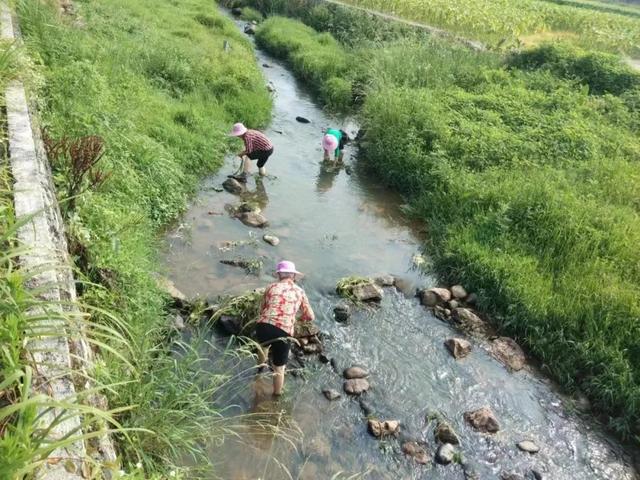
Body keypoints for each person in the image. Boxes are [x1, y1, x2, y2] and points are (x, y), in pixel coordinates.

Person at [255, 260, 315, 396]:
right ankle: (276, 395)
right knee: (279, 368)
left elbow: (262, 309)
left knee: (263, 347)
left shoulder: (270, 287)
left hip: (263, 325)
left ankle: (259, 370)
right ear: (293, 276)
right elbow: (311, 316)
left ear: (279, 275)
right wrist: (297, 319)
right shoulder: (300, 291)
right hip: (284, 330)